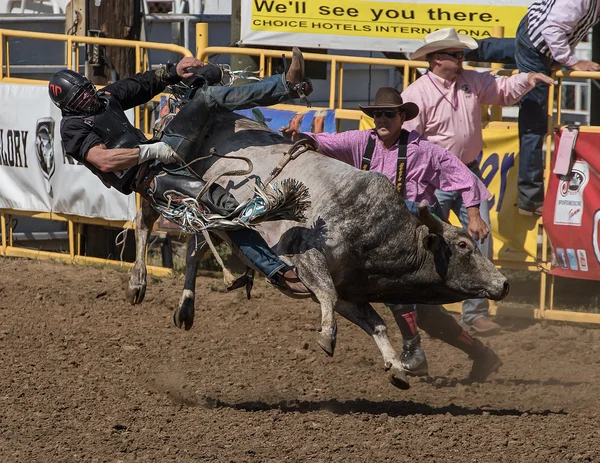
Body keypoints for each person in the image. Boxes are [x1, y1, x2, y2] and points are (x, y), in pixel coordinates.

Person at [280, 87, 501, 382]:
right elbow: (324, 141)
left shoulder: (422, 149)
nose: (381, 119)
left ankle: (414, 349)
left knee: (395, 286)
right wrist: (303, 139)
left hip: (418, 234)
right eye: (377, 114)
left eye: (388, 114)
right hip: (376, 234)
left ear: (401, 117)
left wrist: (473, 214)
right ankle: (481, 355)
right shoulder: (362, 142)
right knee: (426, 315)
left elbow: (461, 174)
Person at [49, 49, 314, 296]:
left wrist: (175, 70)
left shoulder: (105, 98)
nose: (88, 97)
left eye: (87, 90)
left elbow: (142, 84)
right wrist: (150, 152)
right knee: (222, 206)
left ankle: (288, 84)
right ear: (69, 107)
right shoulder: (72, 129)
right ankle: (277, 272)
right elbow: (104, 161)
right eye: (80, 98)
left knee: (206, 93)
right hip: (152, 180)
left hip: (165, 149)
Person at [402, 28, 554, 337]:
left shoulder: (470, 81)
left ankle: (474, 312)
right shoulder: (417, 94)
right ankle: (426, 309)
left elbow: (501, 88)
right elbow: (409, 143)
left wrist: (527, 79)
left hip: (468, 173)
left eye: (461, 54)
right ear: (437, 59)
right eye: (456, 54)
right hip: (433, 179)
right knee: (425, 246)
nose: (461, 58)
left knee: (480, 239)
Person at [514, 0, 600, 215]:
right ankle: (530, 200)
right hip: (537, 44)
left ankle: (457, 52)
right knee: (534, 124)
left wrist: (559, 56)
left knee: (500, 49)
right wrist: (570, 61)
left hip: (537, 39)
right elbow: (552, 27)